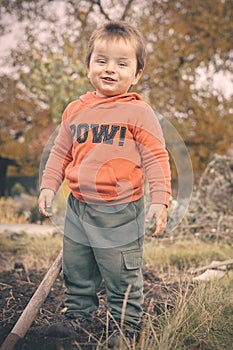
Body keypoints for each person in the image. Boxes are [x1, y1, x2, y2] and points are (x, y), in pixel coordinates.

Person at [38, 20, 171, 347]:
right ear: (88, 67)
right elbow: (60, 152)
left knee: (121, 271)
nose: (110, 70)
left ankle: (126, 325)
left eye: (122, 64)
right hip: (79, 206)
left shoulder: (139, 113)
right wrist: (48, 186)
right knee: (77, 265)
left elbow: (156, 157)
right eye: (102, 61)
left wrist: (160, 200)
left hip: (121, 210)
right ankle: (78, 315)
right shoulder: (76, 110)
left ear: (137, 74)